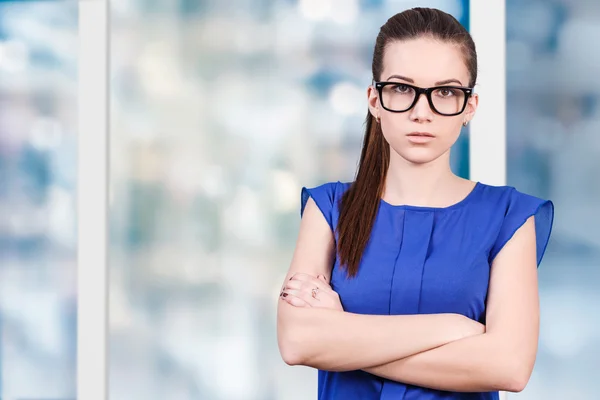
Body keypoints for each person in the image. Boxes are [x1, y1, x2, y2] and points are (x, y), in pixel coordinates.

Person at [276, 7, 555, 400]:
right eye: (402, 89)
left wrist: (343, 336)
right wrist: (452, 329)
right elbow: (297, 342)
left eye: (445, 92)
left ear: (468, 107)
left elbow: (508, 366)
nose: (421, 112)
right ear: (374, 100)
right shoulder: (328, 208)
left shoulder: (508, 217)